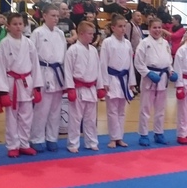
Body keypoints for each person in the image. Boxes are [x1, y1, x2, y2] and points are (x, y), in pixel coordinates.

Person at [0, 13, 42, 158]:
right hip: (11, 83)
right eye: (14, 24)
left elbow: (35, 65)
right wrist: (3, 91)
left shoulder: (29, 43)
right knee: (12, 117)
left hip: (27, 82)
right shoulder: (4, 43)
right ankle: (12, 145)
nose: (18, 27)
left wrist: (37, 87)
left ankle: (24, 144)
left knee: (27, 117)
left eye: (20, 24)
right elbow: (0, 67)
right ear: (8, 26)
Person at [29, 4, 67, 152]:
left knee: (56, 110)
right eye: (53, 15)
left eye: (57, 16)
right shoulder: (37, 33)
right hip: (43, 71)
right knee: (41, 109)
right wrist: (35, 79)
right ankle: (36, 138)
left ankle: (52, 138)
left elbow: (64, 55)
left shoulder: (60, 34)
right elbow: (32, 57)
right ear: (44, 16)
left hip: (58, 72)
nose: (56, 18)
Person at [134, 17, 176, 146]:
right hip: (149, 78)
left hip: (162, 78)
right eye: (154, 27)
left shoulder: (165, 43)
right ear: (149, 28)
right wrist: (148, 73)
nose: (157, 30)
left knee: (160, 109)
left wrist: (171, 71)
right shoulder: (144, 43)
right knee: (145, 109)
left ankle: (159, 133)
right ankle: (143, 134)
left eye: (159, 27)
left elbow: (168, 61)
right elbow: (138, 62)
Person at [64, 21, 104, 153]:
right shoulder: (73, 50)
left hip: (91, 88)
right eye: (90, 34)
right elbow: (68, 70)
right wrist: (70, 88)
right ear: (81, 34)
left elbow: (98, 70)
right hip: (78, 88)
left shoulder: (93, 50)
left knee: (91, 119)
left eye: (93, 34)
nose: (92, 36)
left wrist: (100, 87)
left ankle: (91, 142)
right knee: (75, 118)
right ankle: (73, 144)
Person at [100, 14, 135, 149]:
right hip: (112, 78)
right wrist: (104, 82)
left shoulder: (127, 43)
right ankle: (113, 138)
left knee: (122, 111)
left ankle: (120, 137)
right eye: (120, 26)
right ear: (113, 28)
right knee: (112, 111)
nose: (123, 29)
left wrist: (131, 82)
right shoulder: (107, 42)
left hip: (124, 79)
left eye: (124, 26)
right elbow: (103, 63)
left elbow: (130, 64)